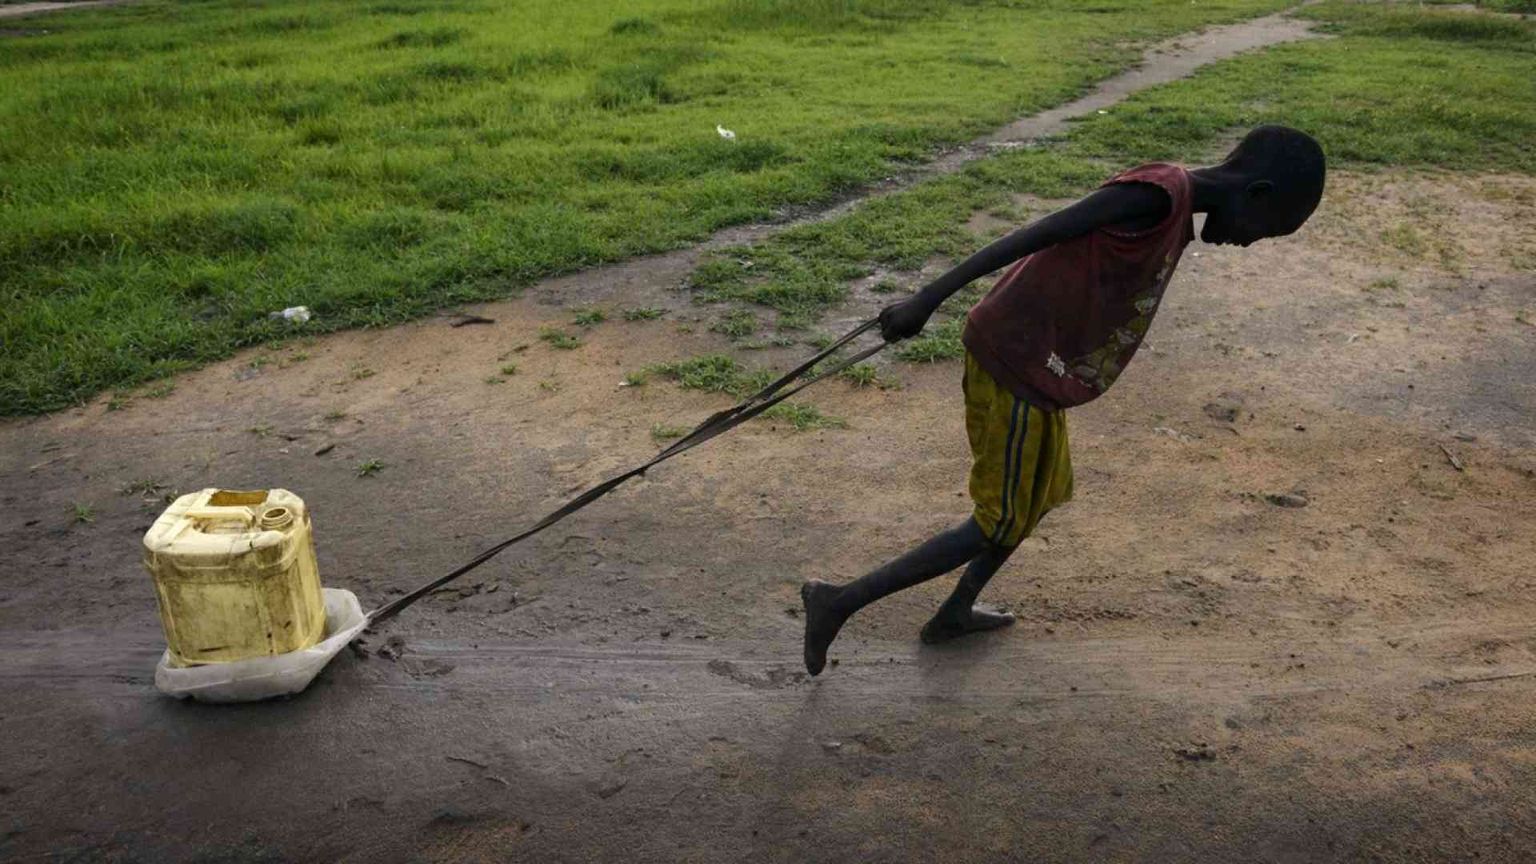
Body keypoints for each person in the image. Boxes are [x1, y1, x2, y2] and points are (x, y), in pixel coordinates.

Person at [800, 125, 1326, 675]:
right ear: (1257, 194)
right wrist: (927, 299)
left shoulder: (1174, 209)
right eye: (1266, 230)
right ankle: (839, 601)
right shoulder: (1156, 195)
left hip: (1038, 369)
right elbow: (1037, 234)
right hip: (1014, 360)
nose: (1251, 243)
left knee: (1036, 496)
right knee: (999, 519)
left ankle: (954, 611)